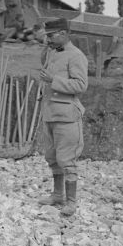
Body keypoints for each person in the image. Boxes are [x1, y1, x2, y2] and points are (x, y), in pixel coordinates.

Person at [38, 18, 88, 217]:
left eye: (51, 35)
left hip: (67, 115)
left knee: (67, 160)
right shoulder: (52, 51)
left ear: (64, 34)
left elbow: (81, 86)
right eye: (47, 36)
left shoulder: (76, 56)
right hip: (50, 113)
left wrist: (54, 80)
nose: (48, 39)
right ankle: (58, 195)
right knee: (52, 157)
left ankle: (71, 202)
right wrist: (46, 46)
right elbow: (44, 63)